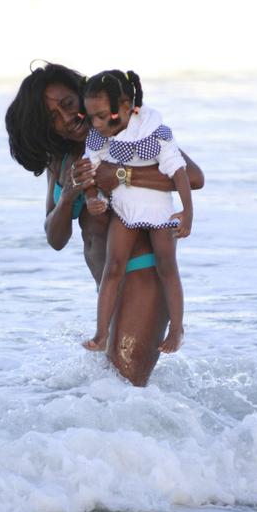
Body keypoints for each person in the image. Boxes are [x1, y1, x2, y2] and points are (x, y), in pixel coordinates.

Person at [5, 61, 204, 387]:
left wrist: (122, 174)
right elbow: (55, 237)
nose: (67, 118)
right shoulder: (62, 160)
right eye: (52, 117)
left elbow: (193, 177)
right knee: (116, 397)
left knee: (121, 394)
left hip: (144, 275)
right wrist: (69, 194)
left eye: (68, 105)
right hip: (108, 286)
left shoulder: (128, 132)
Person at [80, 70, 193, 354]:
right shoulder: (99, 137)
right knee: (113, 267)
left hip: (158, 210)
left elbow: (179, 172)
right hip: (124, 209)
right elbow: (89, 171)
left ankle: (177, 329)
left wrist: (186, 212)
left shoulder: (154, 132)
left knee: (167, 267)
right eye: (91, 116)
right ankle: (102, 333)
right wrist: (93, 197)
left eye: (103, 115)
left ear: (126, 105)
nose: (97, 123)